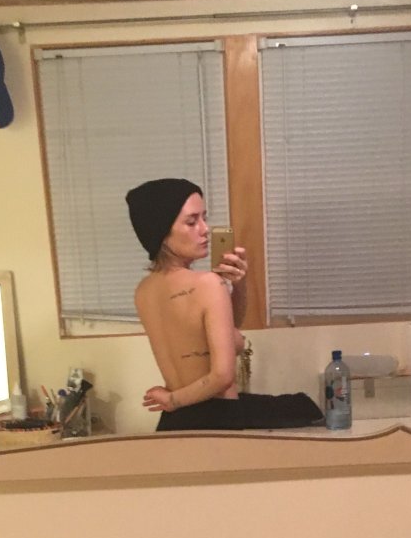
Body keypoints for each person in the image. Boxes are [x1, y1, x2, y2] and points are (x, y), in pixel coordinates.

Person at [125, 178, 323, 432]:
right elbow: (222, 376)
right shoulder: (208, 284)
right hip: (216, 420)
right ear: (161, 232)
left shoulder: (143, 291)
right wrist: (172, 400)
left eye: (204, 218)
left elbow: (223, 331)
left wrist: (238, 286)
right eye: (191, 222)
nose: (205, 229)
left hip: (174, 422)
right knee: (305, 407)